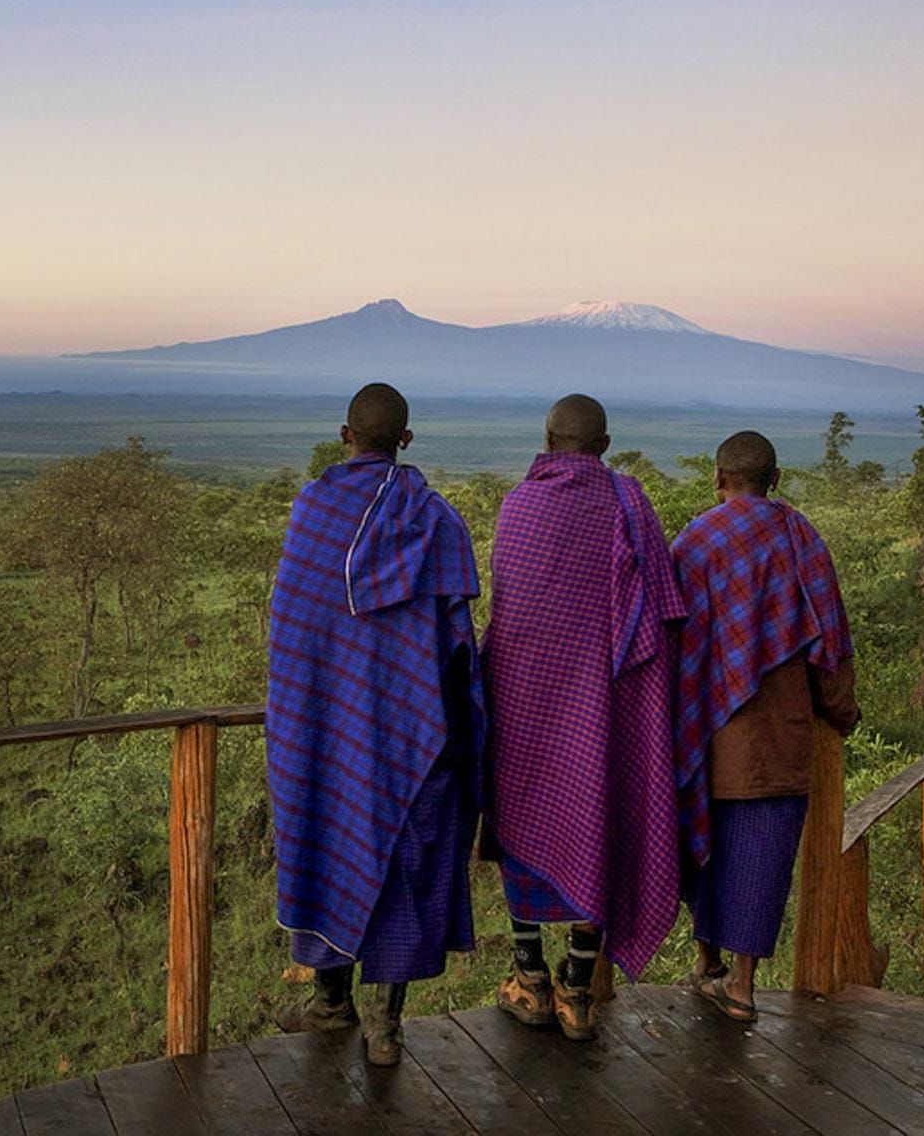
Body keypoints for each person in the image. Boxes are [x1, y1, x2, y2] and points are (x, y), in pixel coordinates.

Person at [265, 381, 484, 1066]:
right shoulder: (440, 522)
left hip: (324, 733)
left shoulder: (313, 508)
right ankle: (383, 1029)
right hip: (417, 737)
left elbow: (296, 633)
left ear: (345, 436)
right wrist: (451, 733)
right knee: (404, 867)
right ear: (406, 441)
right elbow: (458, 643)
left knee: (330, 842)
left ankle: (330, 1005)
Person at [481, 394, 697, 1041]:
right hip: (603, 706)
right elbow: (664, 615)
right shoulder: (627, 504)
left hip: (522, 699)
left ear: (546, 442)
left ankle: (530, 977)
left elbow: (508, 608)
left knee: (515, 822)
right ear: (603, 446)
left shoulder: (520, 504)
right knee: (598, 816)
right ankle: (578, 989)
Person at [670, 430, 859, 1024]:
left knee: (702, 850)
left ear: (718, 479)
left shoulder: (693, 543)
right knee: (764, 858)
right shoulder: (800, 538)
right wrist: (843, 712)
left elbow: (671, 643)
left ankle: (706, 961)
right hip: (782, 737)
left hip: (704, 734)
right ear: (774, 480)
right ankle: (744, 986)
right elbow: (830, 644)